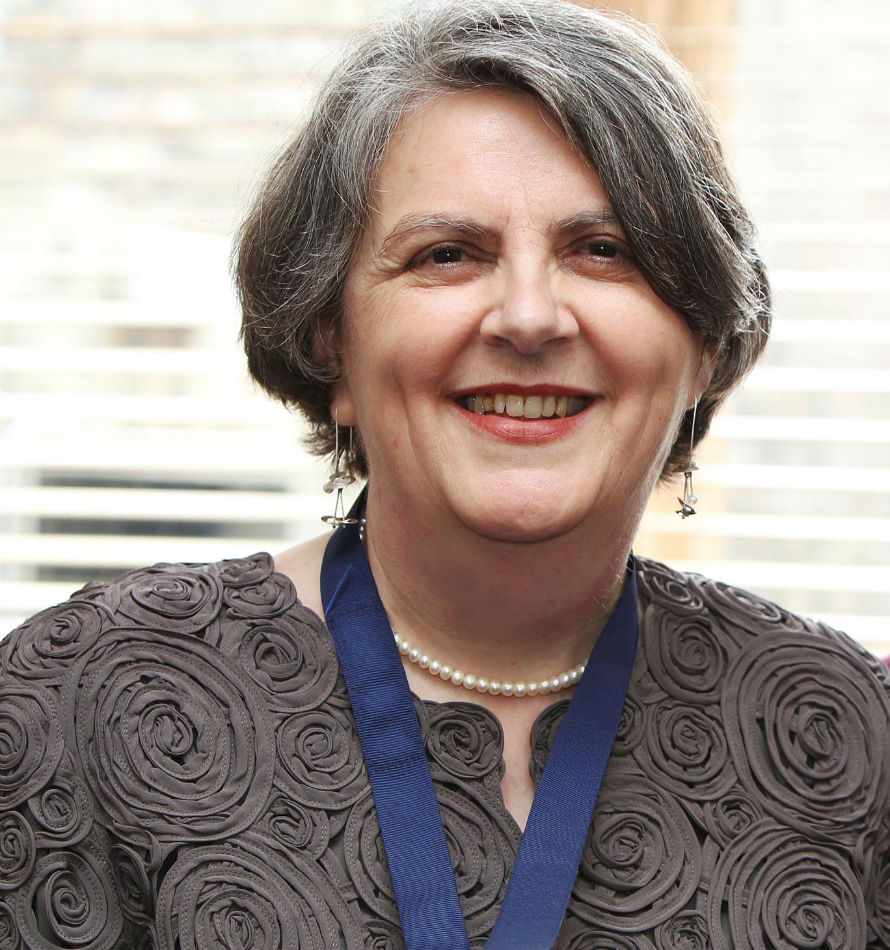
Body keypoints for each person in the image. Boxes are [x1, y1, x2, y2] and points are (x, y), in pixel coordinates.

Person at [2, 1, 888, 947]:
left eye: (604, 251)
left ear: (704, 344)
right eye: (448, 255)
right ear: (330, 342)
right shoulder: (75, 707)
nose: (529, 317)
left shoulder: (855, 740)